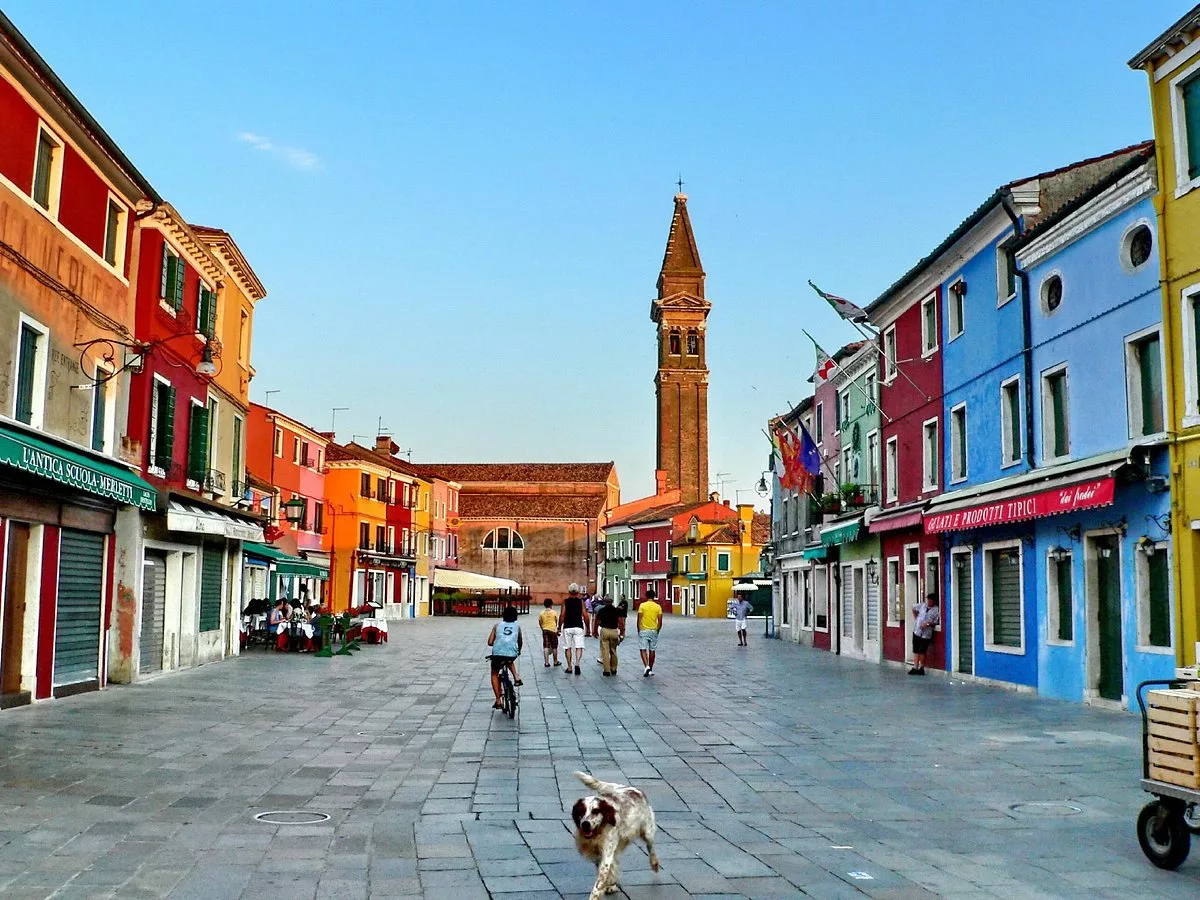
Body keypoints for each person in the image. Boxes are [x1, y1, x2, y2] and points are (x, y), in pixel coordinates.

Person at [487, 606, 523, 708]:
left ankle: (498, 700)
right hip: (511, 653)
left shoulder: (497, 626)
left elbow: (490, 642)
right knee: (509, 659)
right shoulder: (517, 627)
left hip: (498, 653)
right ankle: (516, 677)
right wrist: (518, 650)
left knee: (494, 673)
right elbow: (520, 641)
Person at [558, 584, 589, 675]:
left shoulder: (565, 602)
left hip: (567, 626)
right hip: (578, 626)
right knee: (579, 646)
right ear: (578, 592)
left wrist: (559, 626)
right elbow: (585, 616)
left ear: (569, 592)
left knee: (568, 647)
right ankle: (577, 664)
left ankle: (569, 667)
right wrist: (588, 628)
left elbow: (562, 615)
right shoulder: (581, 602)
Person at [909, 593, 941, 676]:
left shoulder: (936, 610)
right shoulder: (923, 606)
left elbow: (936, 622)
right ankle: (915, 667)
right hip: (917, 631)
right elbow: (913, 607)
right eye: (928, 599)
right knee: (916, 650)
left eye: (930, 600)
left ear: (934, 601)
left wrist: (927, 624)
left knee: (922, 651)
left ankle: (921, 667)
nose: (929, 601)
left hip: (926, 633)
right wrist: (916, 619)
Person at [595, 593, 625, 676]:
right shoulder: (616, 610)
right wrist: (622, 632)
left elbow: (597, 621)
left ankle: (607, 670)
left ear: (604, 602)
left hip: (605, 630)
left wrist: (594, 631)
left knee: (605, 651)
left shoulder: (601, 610)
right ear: (612, 602)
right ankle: (614, 668)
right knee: (613, 650)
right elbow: (621, 622)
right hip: (614, 631)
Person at [637, 588, 663, 677]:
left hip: (644, 630)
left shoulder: (642, 606)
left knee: (643, 649)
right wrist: (657, 630)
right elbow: (660, 621)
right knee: (652, 650)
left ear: (646, 596)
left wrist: (639, 630)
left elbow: (639, 619)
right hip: (654, 630)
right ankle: (650, 669)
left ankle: (646, 666)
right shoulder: (658, 607)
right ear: (654, 596)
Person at [539, 598, 561, 667]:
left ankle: (546, 662)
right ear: (551, 604)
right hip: (553, 630)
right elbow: (556, 621)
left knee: (546, 646)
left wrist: (542, 628)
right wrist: (557, 629)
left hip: (545, 630)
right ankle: (555, 661)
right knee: (554, 646)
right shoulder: (554, 612)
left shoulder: (541, 613)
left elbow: (540, 622)